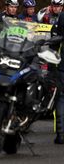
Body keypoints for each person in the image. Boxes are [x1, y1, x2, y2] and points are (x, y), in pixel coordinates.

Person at [50, 11, 64, 144]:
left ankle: (61, 134)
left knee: (61, 98)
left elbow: (57, 38)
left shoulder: (62, 16)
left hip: (63, 66)